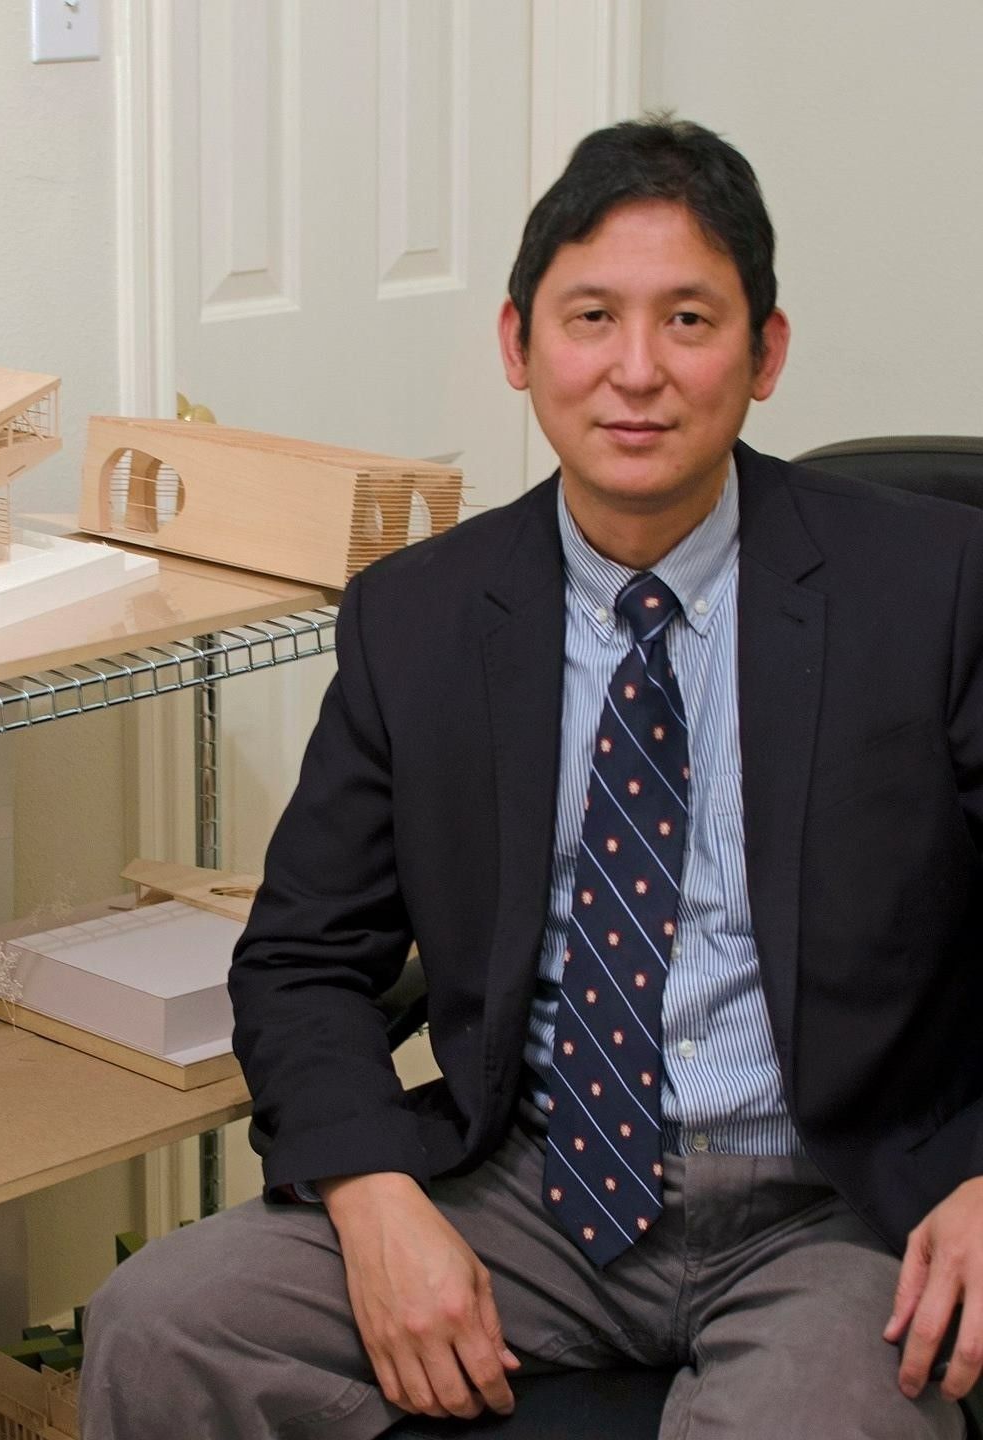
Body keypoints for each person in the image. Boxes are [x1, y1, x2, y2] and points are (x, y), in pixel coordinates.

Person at [80, 115, 983, 1439]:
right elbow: (302, 959)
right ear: (518, 346)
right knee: (162, 1326)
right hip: (529, 1185)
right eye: (590, 318)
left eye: (688, 320)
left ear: (766, 353)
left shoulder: (928, 590)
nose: (636, 372)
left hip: (834, 1211)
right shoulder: (424, 617)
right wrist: (374, 1197)